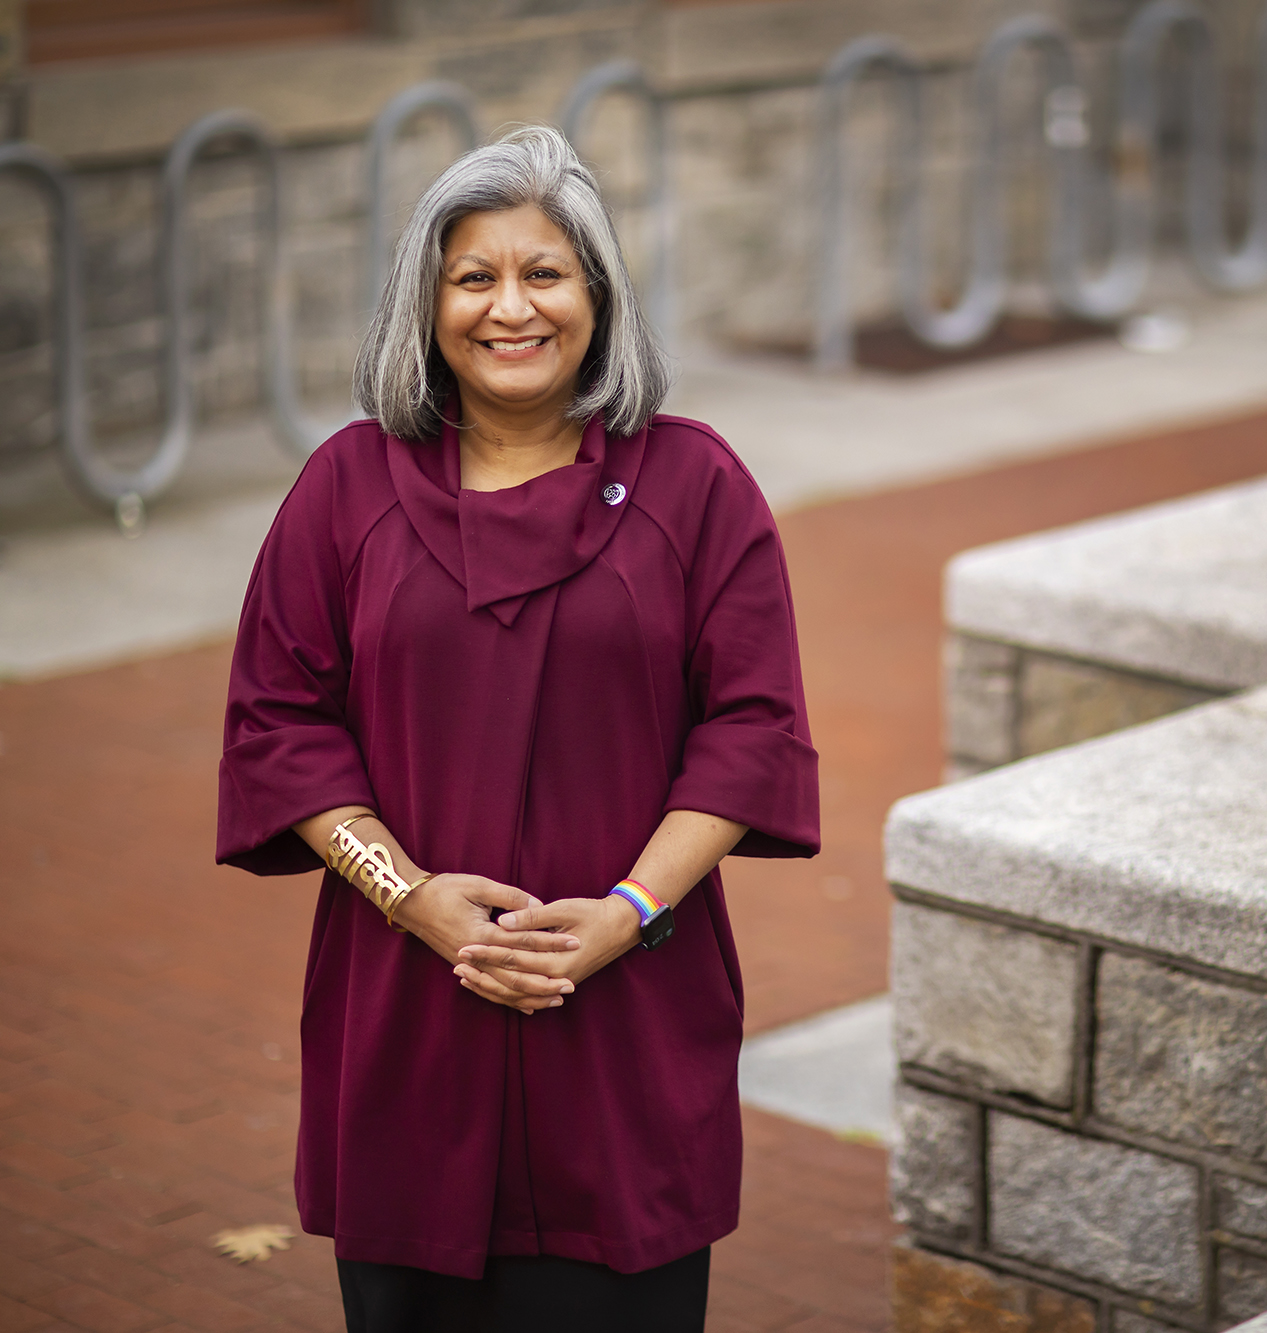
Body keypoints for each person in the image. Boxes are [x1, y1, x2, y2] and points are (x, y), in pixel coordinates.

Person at [215, 125, 817, 1333]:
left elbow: (751, 729)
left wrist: (626, 914)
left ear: (596, 294)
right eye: (473, 276)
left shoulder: (694, 488)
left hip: (625, 1010)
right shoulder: (346, 487)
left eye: (544, 273)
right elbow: (282, 726)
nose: (510, 308)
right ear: (425, 302)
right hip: (409, 1000)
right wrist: (408, 894)